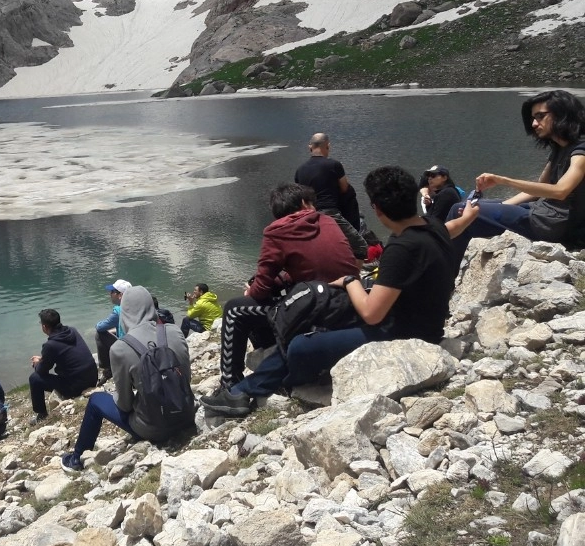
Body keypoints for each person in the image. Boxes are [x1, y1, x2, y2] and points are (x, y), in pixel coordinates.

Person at [202, 165, 478, 416]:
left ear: (377, 209)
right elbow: (452, 227)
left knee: (300, 346)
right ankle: (242, 391)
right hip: (424, 321)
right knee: (320, 326)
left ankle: (244, 392)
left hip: (406, 332)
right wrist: (468, 216)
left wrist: (350, 282)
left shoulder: (401, 248)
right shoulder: (432, 227)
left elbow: (372, 314)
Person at [217, 183, 358, 388]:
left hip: (320, 308)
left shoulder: (276, 231)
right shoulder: (327, 220)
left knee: (234, 309)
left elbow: (261, 288)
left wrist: (251, 290)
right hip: (351, 298)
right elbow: (314, 263)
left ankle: (230, 383)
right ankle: (273, 352)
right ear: (304, 203)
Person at [60, 286, 193, 472]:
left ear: (125, 312)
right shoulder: (174, 331)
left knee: (96, 401)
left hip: (155, 428)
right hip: (187, 414)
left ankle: (76, 459)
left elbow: (124, 405)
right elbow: (186, 377)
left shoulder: (120, 348)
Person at [448, 89, 585, 260]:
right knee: (464, 208)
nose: (534, 124)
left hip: (555, 224)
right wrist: (504, 205)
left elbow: (560, 190)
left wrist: (503, 181)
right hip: (542, 213)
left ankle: (443, 278)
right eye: (533, 118)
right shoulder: (559, 148)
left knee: (460, 212)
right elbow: (537, 191)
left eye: (540, 116)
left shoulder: (580, 151)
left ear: (562, 113)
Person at [294, 133, 369, 260]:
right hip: (329, 213)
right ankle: (353, 277)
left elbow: (298, 193)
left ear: (310, 147)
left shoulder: (300, 170)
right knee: (360, 246)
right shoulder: (334, 165)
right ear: (328, 146)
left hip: (307, 215)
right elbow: (345, 188)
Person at [28, 308, 99, 423]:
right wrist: (44, 359)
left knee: (34, 379)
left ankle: (41, 414)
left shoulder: (50, 345)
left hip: (76, 386)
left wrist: (37, 363)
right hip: (92, 378)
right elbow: (67, 353)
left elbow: (42, 371)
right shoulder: (72, 331)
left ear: (44, 327)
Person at [95, 278, 131, 380]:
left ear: (120, 295)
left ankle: (107, 368)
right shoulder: (136, 306)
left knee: (99, 334)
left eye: (112, 292)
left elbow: (100, 327)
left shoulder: (118, 311)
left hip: (126, 348)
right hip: (135, 344)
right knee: (113, 331)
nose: (110, 294)